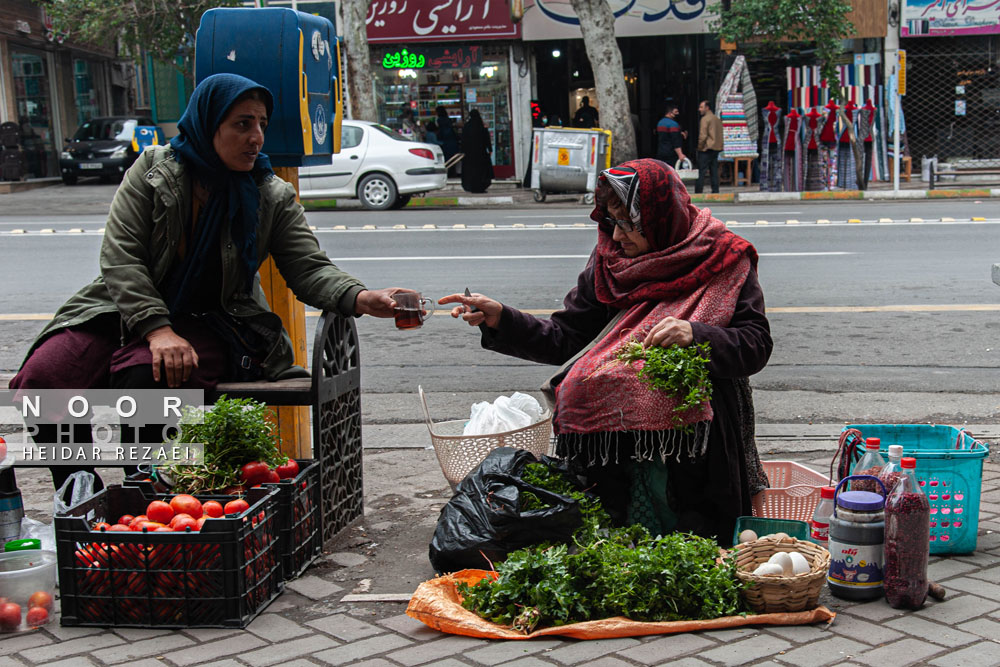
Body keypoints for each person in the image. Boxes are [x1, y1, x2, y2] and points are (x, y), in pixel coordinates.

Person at [7, 73, 411, 494]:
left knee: (148, 373)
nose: (256, 137)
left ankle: (145, 492)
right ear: (207, 123)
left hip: (215, 321)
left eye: (261, 125)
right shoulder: (152, 170)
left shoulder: (270, 195)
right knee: (43, 379)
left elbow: (308, 267)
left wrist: (362, 297)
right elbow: (120, 256)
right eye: (242, 124)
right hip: (122, 309)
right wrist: (157, 328)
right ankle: (77, 491)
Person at [440, 159, 772, 546]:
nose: (616, 236)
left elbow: (756, 344)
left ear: (660, 219)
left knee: (697, 548)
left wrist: (697, 334)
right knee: (620, 552)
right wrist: (500, 319)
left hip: (698, 447)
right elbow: (562, 336)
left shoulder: (724, 257)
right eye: (611, 221)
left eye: (629, 224)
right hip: (614, 454)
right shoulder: (609, 263)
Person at [460, 109, 493, 193]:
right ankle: (480, 187)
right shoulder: (481, 126)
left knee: (471, 170)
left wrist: (463, 151)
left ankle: (471, 186)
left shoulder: (467, 127)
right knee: (481, 171)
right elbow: (486, 139)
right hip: (481, 153)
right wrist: (490, 149)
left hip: (469, 154)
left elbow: (463, 140)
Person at [696, 100, 724, 194]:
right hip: (716, 148)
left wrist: (699, 147)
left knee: (701, 172)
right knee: (714, 171)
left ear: (707, 108)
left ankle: (698, 191)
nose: (699, 109)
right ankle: (715, 191)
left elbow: (702, 136)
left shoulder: (705, 119)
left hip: (706, 148)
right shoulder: (717, 119)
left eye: (701, 107)